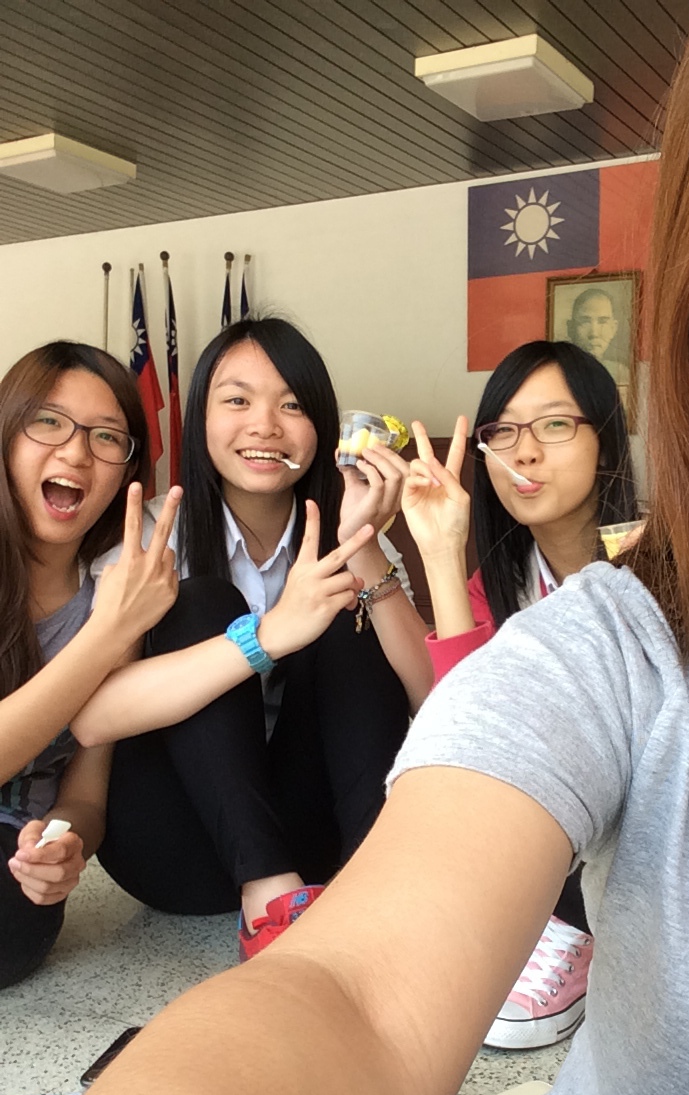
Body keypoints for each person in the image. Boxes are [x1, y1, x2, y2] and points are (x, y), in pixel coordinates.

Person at [4, 0, 689, 1095]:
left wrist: (376, 576)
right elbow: (354, 994)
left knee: (337, 630)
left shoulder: (463, 543)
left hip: (346, 810)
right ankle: (272, 891)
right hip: (236, 845)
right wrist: (287, 622)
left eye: (556, 428)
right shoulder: (613, 632)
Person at [72, 317, 432, 958]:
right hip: (174, 841)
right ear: (201, 419)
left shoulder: (351, 530)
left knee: (340, 599)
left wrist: (363, 546)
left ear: (321, 427)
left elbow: (432, 696)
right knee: (202, 602)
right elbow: (93, 717)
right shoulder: (152, 536)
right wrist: (265, 636)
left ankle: (376, 882)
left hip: (313, 841)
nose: (264, 426)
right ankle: (268, 899)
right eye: (237, 400)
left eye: (291, 405)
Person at [402, 339, 638, 1049]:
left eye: (555, 424)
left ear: (605, 443)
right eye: (502, 432)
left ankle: (568, 925)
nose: (524, 453)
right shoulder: (503, 584)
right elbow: (474, 733)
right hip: (548, 826)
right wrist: (441, 551)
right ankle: (538, 923)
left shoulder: (659, 559)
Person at [0, 341, 179, 989]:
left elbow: (85, 794)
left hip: (12, 844)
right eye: (48, 422)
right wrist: (107, 635)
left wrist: (65, 845)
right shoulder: (113, 617)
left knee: (15, 930)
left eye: (107, 437)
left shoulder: (110, 591)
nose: (76, 453)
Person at [567, 287, 631, 385]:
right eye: (585, 322)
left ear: (613, 328)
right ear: (571, 328)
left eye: (602, 322)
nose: (594, 333)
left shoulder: (621, 373)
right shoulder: (558, 371)